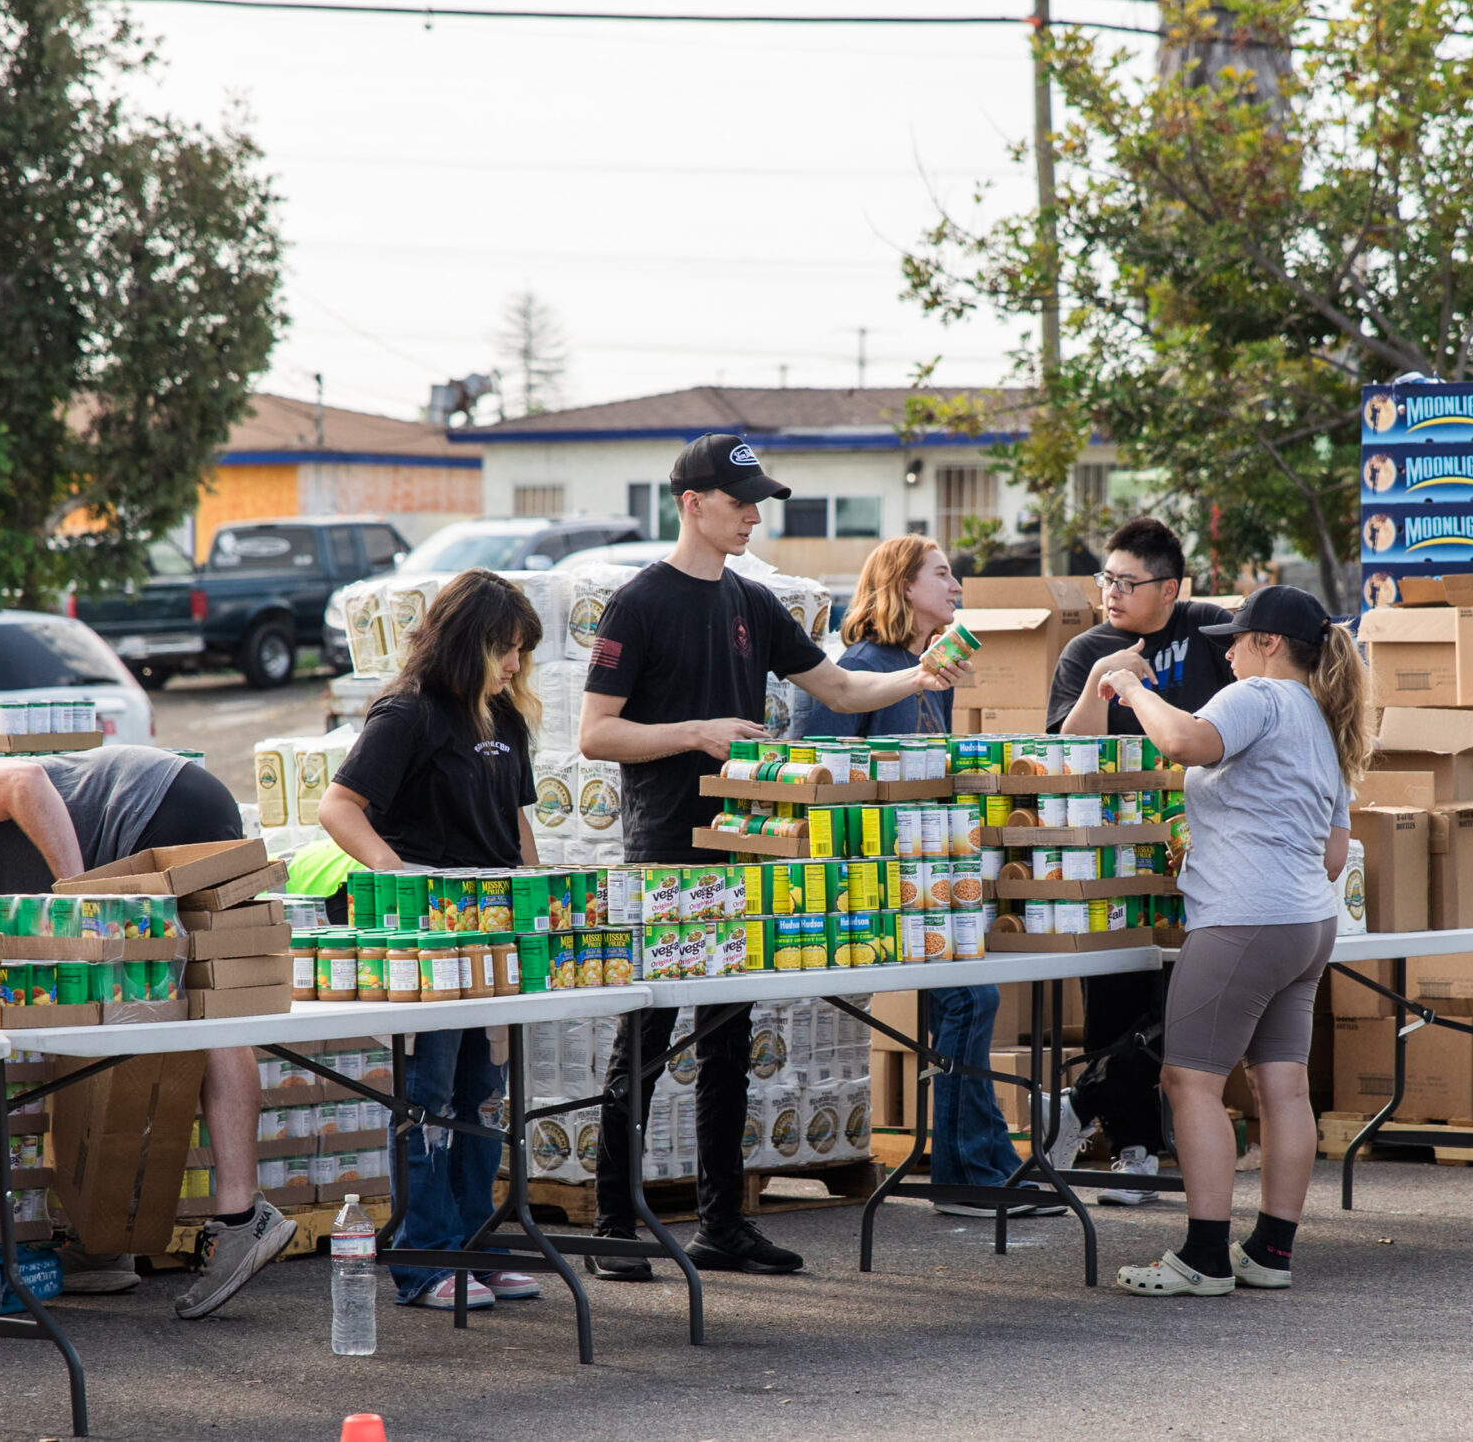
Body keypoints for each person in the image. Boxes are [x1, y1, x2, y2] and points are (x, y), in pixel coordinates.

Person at [579, 434, 965, 1278]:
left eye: (759, 500)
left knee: (731, 1033)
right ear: (692, 503)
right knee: (646, 1033)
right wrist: (698, 732)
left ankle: (722, 1221)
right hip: (666, 848)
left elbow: (838, 687)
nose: (755, 513)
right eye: (741, 498)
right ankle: (613, 1220)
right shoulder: (638, 603)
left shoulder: (751, 601)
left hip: (743, 845)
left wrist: (916, 677)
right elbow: (594, 732)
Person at [0, 744, 292, 1317]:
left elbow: (27, 779)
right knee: (170, 1015)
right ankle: (106, 1239)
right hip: (179, 801)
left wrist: (80, 896)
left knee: (202, 1015)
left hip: (160, 810)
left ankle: (241, 1218)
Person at [1101, 586, 1364, 1297]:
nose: (1227, 649)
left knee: (1189, 1079)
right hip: (1307, 923)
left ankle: (1204, 1255)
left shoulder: (1259, 697)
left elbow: (1183, 740)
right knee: (1282, 1086)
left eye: (1238, 637)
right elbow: (1334, 852)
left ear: (1270, 643)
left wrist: (1128, 684)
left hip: (1244, 919)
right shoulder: (1324, 719)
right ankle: (1271, 1249)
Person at [798, 538, 1061, 1219]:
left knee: (968, 998)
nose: (958, 586)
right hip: (867, 882)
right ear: (903, 585)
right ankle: (971, 1170)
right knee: (971, 998)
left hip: (929, 874)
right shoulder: (860, 668)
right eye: (943, 574)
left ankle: (976, 1166)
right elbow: (816, 772)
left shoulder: (928, 669)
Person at [317, 570, 544, 1311]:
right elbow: (338, 806)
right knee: (429, 1092)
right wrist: (399, 873)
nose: (514, 664)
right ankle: (425, 1256)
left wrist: (534, 897)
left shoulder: (504, 719)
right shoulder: (407, 713)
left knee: (483, 1093)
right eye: (506, 648)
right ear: (467, 640)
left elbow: (518, 825)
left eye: (520, 651)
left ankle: (477, 1243)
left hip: (494, 937)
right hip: (426, 942)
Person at [1044, 516, 1237, 1204]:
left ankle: (1076, 1104)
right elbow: (1069, 758)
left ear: (1170, 588)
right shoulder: (1085, 650)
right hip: (1114, 855)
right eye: (1107, 579)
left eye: (1129, 582)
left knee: (1180, 1004)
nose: (1112, 593)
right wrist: (1103, 674)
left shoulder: (1212, 628)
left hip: (1209, 849)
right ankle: (1132, 1151)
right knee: (1114, 1000)